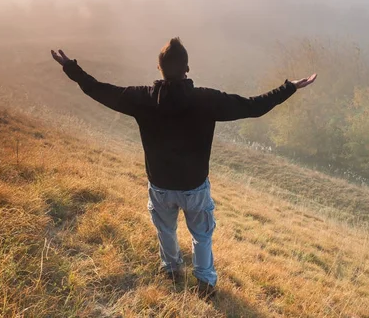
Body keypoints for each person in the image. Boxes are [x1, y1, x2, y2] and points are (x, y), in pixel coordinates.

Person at [51, 38, 317, 299]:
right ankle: (204, 282)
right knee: (202, 236)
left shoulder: (142, 98)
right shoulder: (207, 100)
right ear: (187, 69)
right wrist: (288, 88)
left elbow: (99, 90)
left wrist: (71, 68)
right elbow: (253, 107)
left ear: (160, 69)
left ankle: (172, 271)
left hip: (161, 186)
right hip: (194, 187)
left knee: (166, 230)